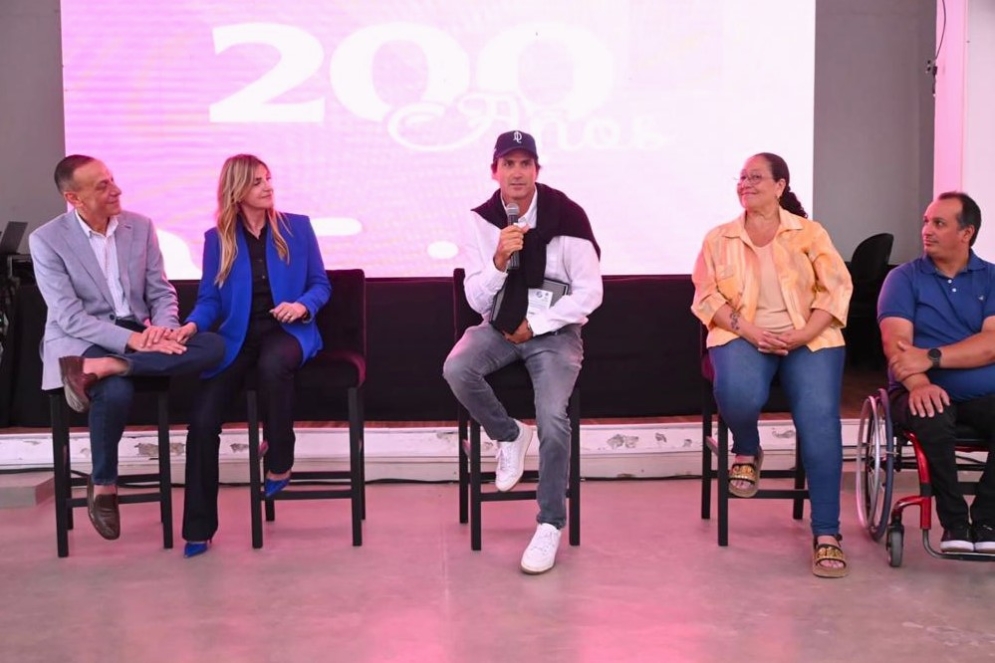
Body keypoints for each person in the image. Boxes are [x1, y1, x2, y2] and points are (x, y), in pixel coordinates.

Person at [29, 155, 225, 541]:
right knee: (115, 394)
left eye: (112, 180)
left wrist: (165, 331)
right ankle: (104, 485)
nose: (115, 190)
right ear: (74, 198)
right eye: (101, 186)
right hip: (80, 342)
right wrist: (134, 341)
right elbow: (68, 316)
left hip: (139, 338)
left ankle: (113, 366)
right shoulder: (47, 240)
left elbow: (160, 292)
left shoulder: (141, 226)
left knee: (214, 345)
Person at [443, 130, 603, 574]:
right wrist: (497, 261)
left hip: (553, 330)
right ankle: (510, 434)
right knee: (457, 367)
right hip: (500, 322)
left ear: (537, 170)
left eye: (525, 164)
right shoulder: (482, 220)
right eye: (507, 164)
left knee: (553, 417)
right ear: (494, 171)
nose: (516, 172)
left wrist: (538, 324)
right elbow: (477, 299)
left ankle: (549, 524)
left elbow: (590, 292)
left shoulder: (567, 217)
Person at [691, 152, 853, 578]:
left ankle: (827, 534)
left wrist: (803, 334)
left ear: (780, 186)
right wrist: (748, 330)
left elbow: (837, 289)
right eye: (742, 177)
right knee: (737, 393)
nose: (745, 184)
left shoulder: (810, 233)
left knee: (820, 422)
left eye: (756, 177)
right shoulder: (718, 238)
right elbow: (706, 298)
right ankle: (747, 447)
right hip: (744, 335)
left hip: (809, 337)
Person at [176, 154, 331, 558]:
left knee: (273, 364)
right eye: (257, 182)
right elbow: (210, 298)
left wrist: (301, 306)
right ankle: (198, 528)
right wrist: (193, 325)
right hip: (236, 337)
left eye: (269, 179)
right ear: (237, 191)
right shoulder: (218, 238)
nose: (268, 187)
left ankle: (280, 457)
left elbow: (320, 283)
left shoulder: (297, 227)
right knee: (203, 420)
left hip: (287, 330)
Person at [878, 192, 995, 554]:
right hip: (916, 389)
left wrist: (930, 358)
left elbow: (991, 344)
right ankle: (954, 521)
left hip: (981, 394)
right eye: (927, 221)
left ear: (966, 233)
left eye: (939, 223)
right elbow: (896, 345)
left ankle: (988, 520)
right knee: (932, 412)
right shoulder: (903, 278)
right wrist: (919, 382)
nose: (926, 230)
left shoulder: (991, 278)